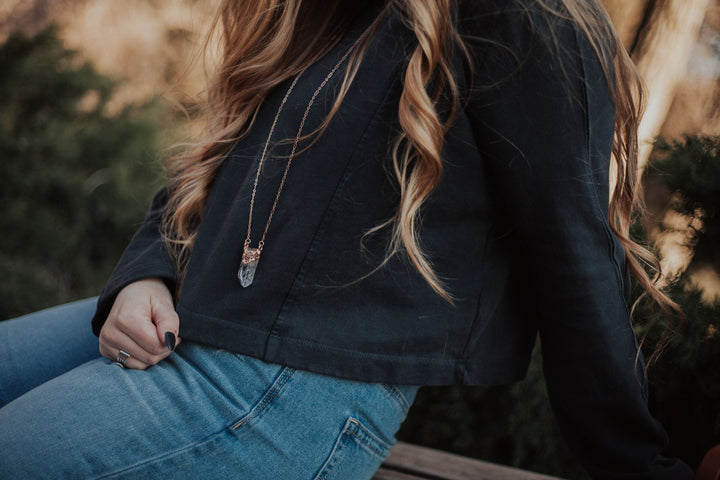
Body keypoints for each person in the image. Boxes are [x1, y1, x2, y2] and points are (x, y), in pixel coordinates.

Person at [0, 0, 694, 478]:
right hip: (195, 320)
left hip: (289, 395)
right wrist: (144, 273)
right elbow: (211, 170)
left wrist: (637, 466)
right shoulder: (332, 13)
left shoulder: (524, 19)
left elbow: (575, 259)